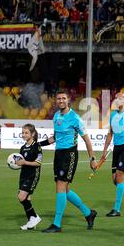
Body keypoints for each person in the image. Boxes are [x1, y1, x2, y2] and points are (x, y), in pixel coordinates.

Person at [39, 91, 98, 233]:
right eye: (58, 98)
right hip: (58, 154)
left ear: (68, 100)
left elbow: (87, 139)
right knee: (65, 190)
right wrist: (38, 144)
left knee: (60, 186)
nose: (61, 101)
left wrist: (92, 158)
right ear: (56, 101)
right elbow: (54, 137)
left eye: (63, 98)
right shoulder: (56, 116)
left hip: (69, 155)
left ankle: (57, 224)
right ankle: (88, 213)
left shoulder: (75, 118)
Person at [15, 124, 42, 230]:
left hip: (32, 176)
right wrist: (16, 164)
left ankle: (34, 217)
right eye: (23, 133)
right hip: (23, 175)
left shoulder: (36, 146)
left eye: (26, 133)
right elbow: (21, 162)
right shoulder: (22, 148)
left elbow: (38, 163)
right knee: (27, 198)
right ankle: (31, 222)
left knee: (21, 197)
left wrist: (24, 162)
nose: (24, 135)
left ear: (33, 134)